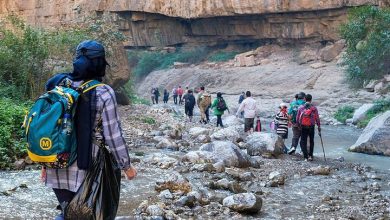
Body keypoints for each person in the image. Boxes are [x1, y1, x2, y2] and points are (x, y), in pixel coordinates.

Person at [43, 40, 137, 220]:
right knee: (85, 215)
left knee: (68, 212)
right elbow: (113, 135)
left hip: (55, 161)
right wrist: (127, 166)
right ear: (99, 64)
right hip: (88, 166)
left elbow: (49, 126)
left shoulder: (57, 84)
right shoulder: (103, 92)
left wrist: (44, 162)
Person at [296, 94, 321, 161]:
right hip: (311, 126)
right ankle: (310, 156)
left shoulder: (301, 108)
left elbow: (297, 118)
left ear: (304, 99)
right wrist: (319, 126)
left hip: (303, 126)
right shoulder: (314, 108)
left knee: (303, 141)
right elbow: (317, 118)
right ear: (311, 99)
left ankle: (305, 157)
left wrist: (298, 125)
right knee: (311, 141)